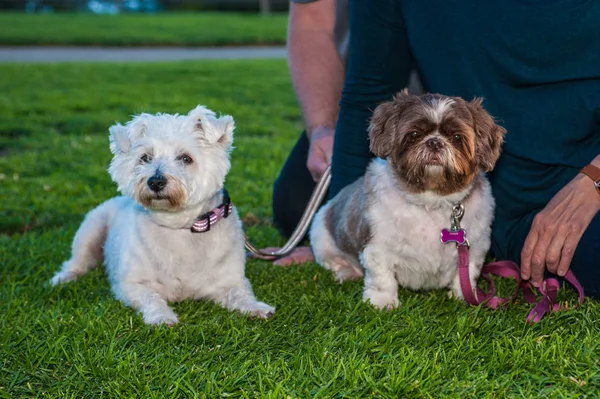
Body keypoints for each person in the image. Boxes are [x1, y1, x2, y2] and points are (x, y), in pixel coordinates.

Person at [270, 0, 421, 265]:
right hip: (362, 100)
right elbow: (312, 16)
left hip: (448, 94)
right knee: (296, 206)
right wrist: (322, 129)